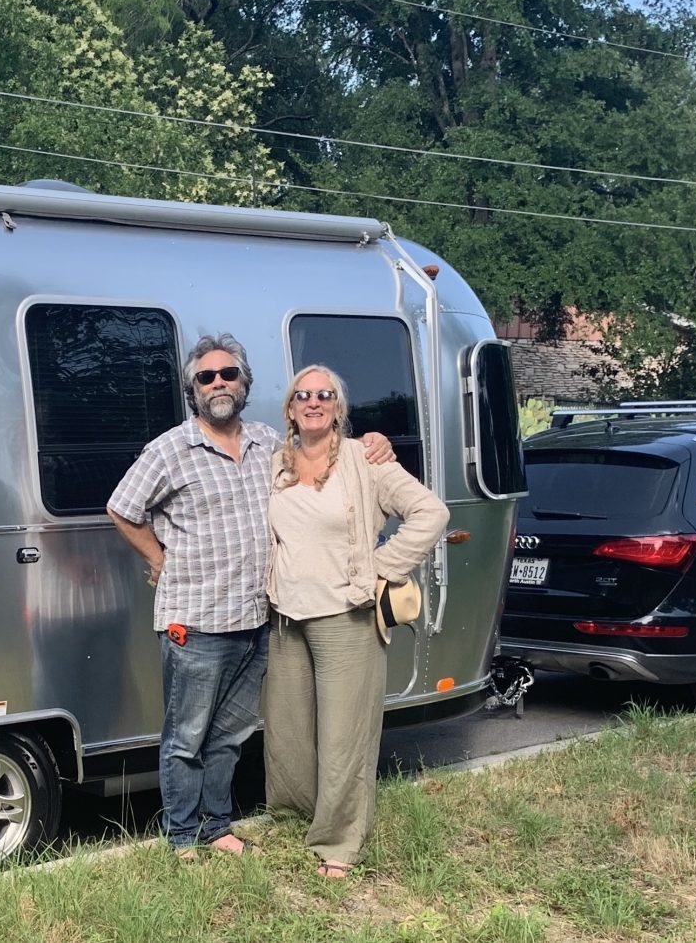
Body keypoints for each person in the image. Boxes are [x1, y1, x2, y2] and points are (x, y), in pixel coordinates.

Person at [107, 334, 392, 859]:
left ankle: (217, 826)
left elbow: (321, 452)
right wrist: (159, 560)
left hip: (257, 619)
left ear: (244, 383)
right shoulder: (170, 449)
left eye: (228, 374)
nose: (218, 383)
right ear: (193, 390)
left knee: (230, 735)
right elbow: (122, 509)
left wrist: (374, 442)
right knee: (186, 737)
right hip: (194, 621)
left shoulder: (268, 445)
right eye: (206, 377)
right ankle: (182, 836)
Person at [262, 364, 448, 878]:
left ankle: (340, 843)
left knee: (345, 737)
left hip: (347, 616)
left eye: (325, 395)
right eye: (303, 395)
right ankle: (295, 815)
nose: (313, 402)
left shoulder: (366, 461)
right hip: (286, 616)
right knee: (289, 732)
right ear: (290, 407)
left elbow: (431, 513)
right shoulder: (276, 464)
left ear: (338, 407)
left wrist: (380, 567)